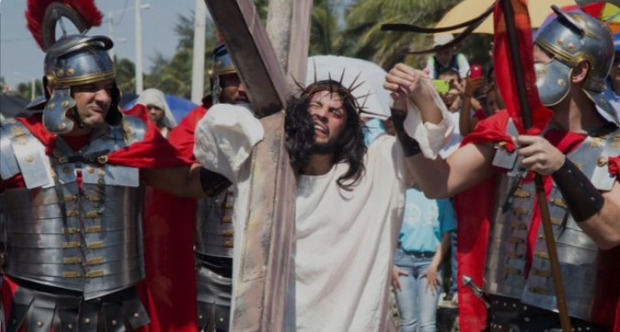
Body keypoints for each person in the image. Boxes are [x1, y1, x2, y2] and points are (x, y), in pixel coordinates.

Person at [385, 8, 620, 332]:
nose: (526, 76)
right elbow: (437, 182)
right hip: (503, 316)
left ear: (578, 71)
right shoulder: (509, 129)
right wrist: (406, 119)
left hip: (569, 322)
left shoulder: (614, 143)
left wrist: (561, 167)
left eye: (538, 65)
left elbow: (611, 233)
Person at [0, 31, 228, 331]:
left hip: (119, 310)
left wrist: (235, 161)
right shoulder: (12, 144)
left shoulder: (132, 138)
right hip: (35, 308)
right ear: (57, 90)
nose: (104, 97)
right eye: (90, 88)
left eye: (107, 87)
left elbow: (186, 184)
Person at [194, 68, 451, 330]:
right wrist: (273, 120)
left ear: (350, 129)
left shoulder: (377, 169)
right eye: (314, 105)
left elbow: (431, 136)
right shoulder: (261, 161)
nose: (321, 114)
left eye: (335, 112)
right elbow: (214, 129)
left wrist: (420, 92)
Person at [144, 43, 249, 332]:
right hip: (212, 272)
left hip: (267, 268)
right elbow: (175, 177)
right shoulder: (197, 122)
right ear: (217, 83)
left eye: (247, 77)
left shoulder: (280, 122)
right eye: (231, 79)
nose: (241, 88)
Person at [391, 180, 456, 332]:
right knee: (408, 321)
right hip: (403, 261)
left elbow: (446, 235)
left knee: (427, 323)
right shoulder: (403, 196)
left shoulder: (442, 198)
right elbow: (389, 231)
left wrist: (434, 265)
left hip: (430, 262)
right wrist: (392, 264)